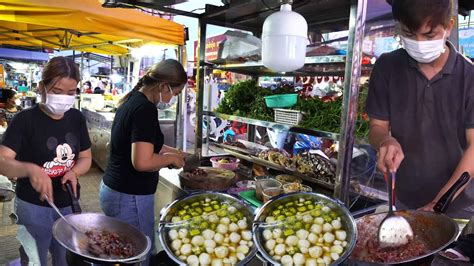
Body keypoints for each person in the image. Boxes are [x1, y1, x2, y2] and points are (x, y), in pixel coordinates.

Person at [366, 0, 474, 218]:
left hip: (458, 202)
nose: (419, 42)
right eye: (409, 33)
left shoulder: (469, 76)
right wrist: (385, 141)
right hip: (404, 196)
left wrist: (440, 202)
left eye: (429, 34)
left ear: (449, 27)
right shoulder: (387, 67)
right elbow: (377, 127)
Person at [0, 56, 92, 265]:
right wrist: (31, 170)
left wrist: (74, 172)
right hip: (32, 206)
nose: (64, 98)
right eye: (57, 92)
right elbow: (2, 160)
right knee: (34, 259)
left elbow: (86, 158)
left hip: (68, 204)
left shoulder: (76, 118)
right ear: (41, 87)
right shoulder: (25, 120)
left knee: (64, 257)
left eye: (71, 93)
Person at [99, 59, 187, 265]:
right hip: (130, 197)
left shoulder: (132, 101)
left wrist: (175, 152)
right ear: (163, 86)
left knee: (122, 250)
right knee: (138, 255)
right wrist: (170, 159)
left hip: (116, 191)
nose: (173, 98)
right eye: (175, 93)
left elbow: (144, 144)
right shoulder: (145, 110)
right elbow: (142, 161)